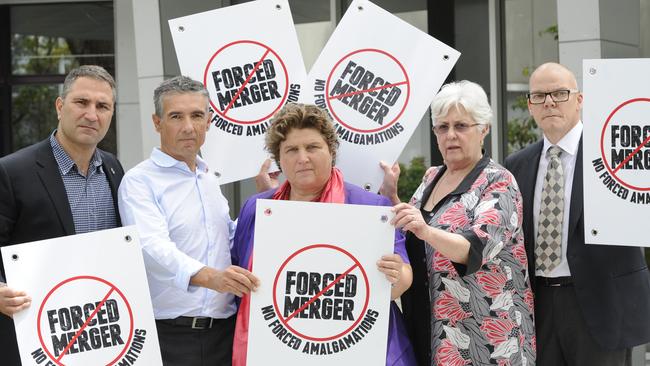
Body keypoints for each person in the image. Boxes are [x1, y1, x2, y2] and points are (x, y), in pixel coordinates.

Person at [231, 103, 417, 366]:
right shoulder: (257, 208)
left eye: (312, 147)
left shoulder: (370, 206)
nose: (302, 158)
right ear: (279, 159)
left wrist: (395, 275)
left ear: (331, 150)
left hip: (360, 350)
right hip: (280, 350)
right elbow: (241, 271)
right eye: (291, 150)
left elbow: (402, 279)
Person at [504, 62, 650, 366]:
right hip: (539, 305)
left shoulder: (615, 153)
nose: (550, 102)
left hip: (601, 304)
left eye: (559, 93)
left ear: (579, 100)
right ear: (530, 106)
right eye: (540, 96)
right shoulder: (515, 165)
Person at [382, 80, 535, 365]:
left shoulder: (498, 181)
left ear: (484, 129)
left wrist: (427, 231)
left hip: (485, 338)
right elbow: (411, 233)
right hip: (431, 330)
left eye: (461, 126)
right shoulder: (431, 177)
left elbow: (474, 248)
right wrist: (391, 197)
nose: (450, 135)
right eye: (442, 127)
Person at [117, 76, 259, 366]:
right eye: (175, 116)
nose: (188, 127)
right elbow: (153, 249)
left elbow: (227, 241)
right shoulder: (139, 181)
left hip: (225, 333)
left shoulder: (208, 177)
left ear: (209, 121)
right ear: (157, 123)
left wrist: (265, 200)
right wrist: (213, 278)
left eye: (196, 115)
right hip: (171, 339)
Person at [0, 65, 124, 365]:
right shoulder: (12, 170)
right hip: (36, 334)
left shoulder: (114, 169)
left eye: (102, 106)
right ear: (60, 106)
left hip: (98, 330)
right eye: (81, 102)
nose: (91, 114)